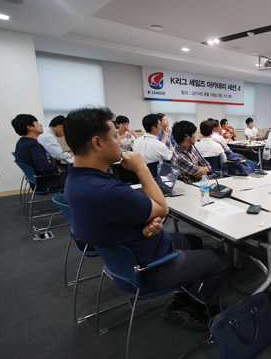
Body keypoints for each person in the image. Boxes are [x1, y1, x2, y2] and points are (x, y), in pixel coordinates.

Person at [63, 107, 230, 330]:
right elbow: (162, 209)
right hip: (150, 267)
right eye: (115, 137)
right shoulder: (108, 192)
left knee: (194, 242)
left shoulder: (76, 181)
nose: (121, 142)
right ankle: (202, 311)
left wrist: (145, 220)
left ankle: (182, 299)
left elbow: (114, 217)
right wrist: (141, 169)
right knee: (221, 259)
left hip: (127, 256)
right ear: (97, 143)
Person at [12, 114, 67, 191]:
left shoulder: (21, 142)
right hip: (44, 182)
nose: (41, 125)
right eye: (37, 123)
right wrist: (56, 169)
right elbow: (44, 167)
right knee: (75, 178)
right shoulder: (34, 145)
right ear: (30, 127)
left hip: (35, 181)